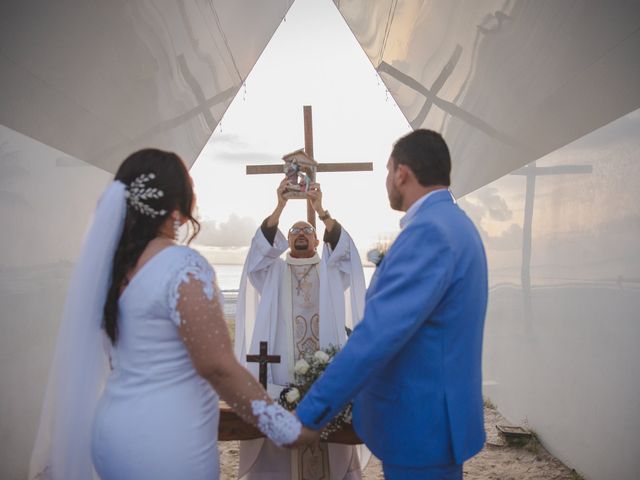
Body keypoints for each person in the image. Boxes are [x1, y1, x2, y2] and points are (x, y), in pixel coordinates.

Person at [29, 149, 312, 480]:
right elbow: (217, 368)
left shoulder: (111, 270)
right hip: (166, 441)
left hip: (111, 429)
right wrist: (284, 427)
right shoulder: (182, 266)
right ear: (180, 203)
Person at [293, 130, 489, 479]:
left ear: (402, 173)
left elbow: (377, 336)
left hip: (419, 425)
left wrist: (311, 413)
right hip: (438, 419)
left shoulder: (428, 233)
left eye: (388, 171)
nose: (387, 180)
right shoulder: (457, 224)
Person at [235, 180, 367, 479]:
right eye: (295, 231)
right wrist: (280, 206)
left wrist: (320, 209)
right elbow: (258, 254)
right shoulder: (273, 273)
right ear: (287, 239)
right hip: (281, 379)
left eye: (307, 231)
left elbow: (346, 250)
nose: (301, 235)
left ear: (317, 240)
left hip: (324, 380)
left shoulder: (330, 272)